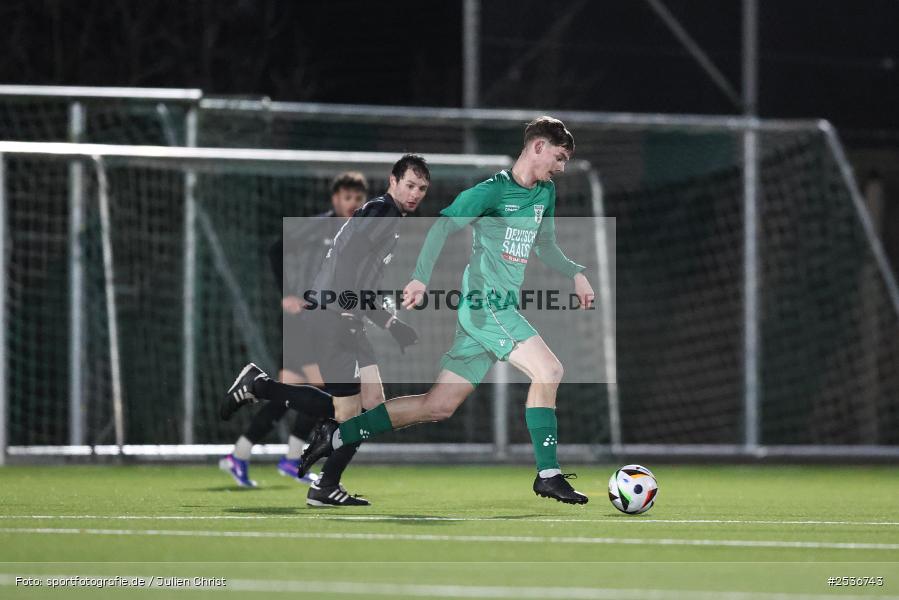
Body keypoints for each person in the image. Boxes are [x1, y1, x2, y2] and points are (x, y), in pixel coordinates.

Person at [300, 117, 595, 504]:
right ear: (537, 147)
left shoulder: (544, 194)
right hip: (486, 307)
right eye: (559, 157)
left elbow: (546, 246)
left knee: (437, 406)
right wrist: (420, 278)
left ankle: (337, 435)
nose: (561, 167)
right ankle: (549, 473)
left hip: (491, 314)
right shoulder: (491, 191)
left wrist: (575, 272)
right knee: (550, 370)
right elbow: (441, 227)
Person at [220, 155, 427, 505]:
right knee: (346, 411)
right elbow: (347, 261)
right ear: (393, 181)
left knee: (370, 406)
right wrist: (346, 310)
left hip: (340, 315)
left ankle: (323, 480)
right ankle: (261, 388)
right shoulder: (383, 213)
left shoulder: (383, 215)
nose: (415, 193)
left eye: (422, 188)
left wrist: (389, 322)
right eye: (409, 185)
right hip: (333, 317)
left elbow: (359, 276)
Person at [218, 172, 370, 488]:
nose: (352, 204)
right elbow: (276, 250)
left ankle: (260, 455)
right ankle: (264, 455)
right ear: (335, 199)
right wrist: (287, 292)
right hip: (301, 321)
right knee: (309, 389)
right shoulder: (317, 226)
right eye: (347, 197)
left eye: (358, 198)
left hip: (325, 322)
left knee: (301, 391)